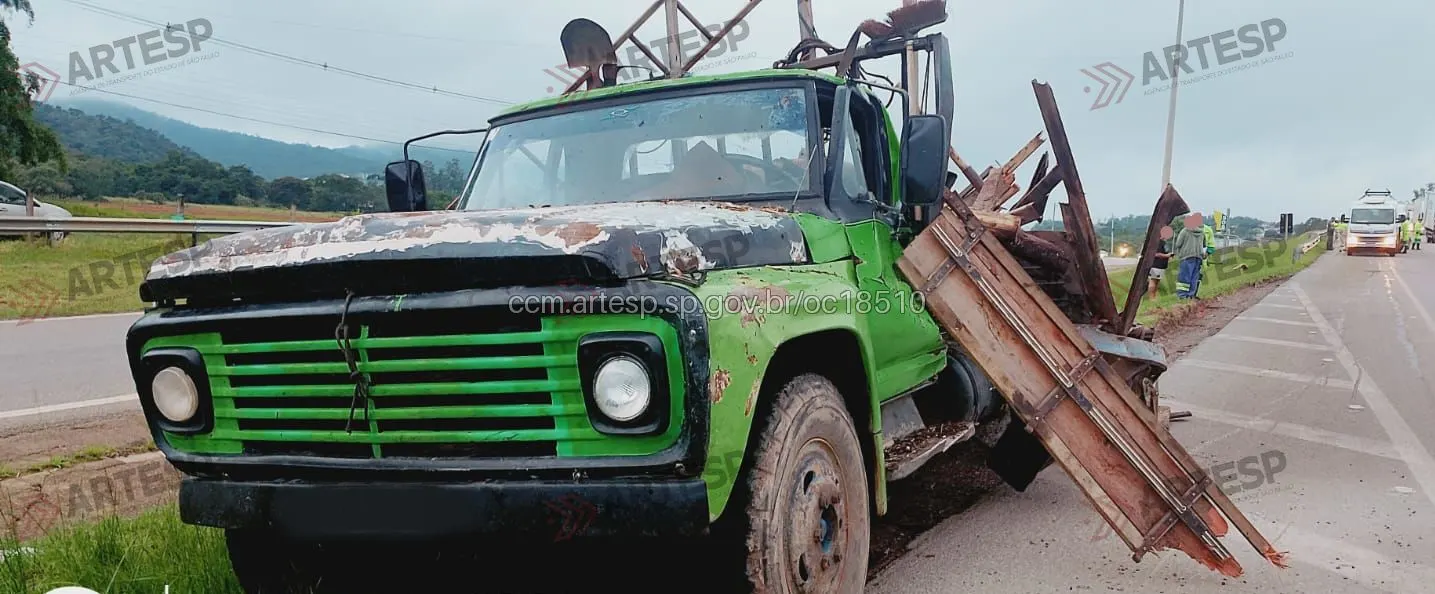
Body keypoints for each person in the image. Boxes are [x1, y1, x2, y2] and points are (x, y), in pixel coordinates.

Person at [1173, 213, 1206, 299]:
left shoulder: (1185, 231)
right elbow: (1204, 245)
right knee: (1194, 277)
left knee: (1184, 277)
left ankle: (1182, 295)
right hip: (1198, 256)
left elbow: (1178, 244)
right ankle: (1191, 294)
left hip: (1186, 256)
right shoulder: (1201, 232)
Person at [1147, 226, 1173, 301]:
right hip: (1156, 265)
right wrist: (1166, 255)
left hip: (1162, 266)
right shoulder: (1157, 242)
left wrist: (1169, 255)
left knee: (1157, 281)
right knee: (1153, 281)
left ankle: (1154, 296)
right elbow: (1156, 254)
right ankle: (1151, 298)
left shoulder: (1164, 243)